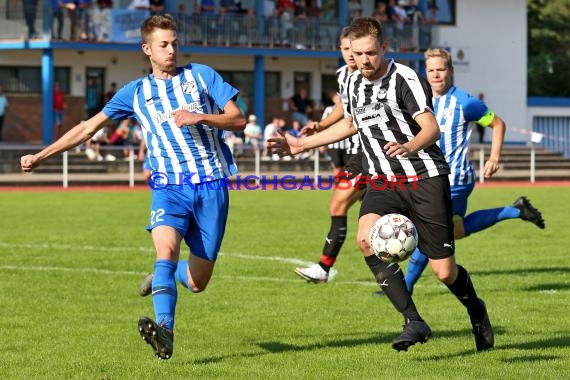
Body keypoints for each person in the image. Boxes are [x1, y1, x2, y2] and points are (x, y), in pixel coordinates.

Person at [20, 14, 246, 360]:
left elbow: (237, 118)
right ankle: (165, 331)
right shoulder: (136, 92)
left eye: (174, 43)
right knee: (165, 252)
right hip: (168, 187)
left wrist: (200, 116)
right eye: (163, 45)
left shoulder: (201, 75)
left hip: (211, 187)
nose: (171, 50)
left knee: (198, 282)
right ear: (147, 49)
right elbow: (87, 128)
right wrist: (42, 155)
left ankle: (160, 278)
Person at [269, 17, 494, 353]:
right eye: (357, 54)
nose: (364, 61)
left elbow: (431, 128)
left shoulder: (404, 77)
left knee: (444, 272)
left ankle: (476, 308)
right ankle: (413, 321)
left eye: (370, 53)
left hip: (424, 177)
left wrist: (409, 146)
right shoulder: (352, 81)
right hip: (383, 181)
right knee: (365, 240)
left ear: (384, 47)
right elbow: (350, 123)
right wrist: (301, 145)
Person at [392, 48, 545, 295]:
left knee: (426, 229)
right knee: (456, 230)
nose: (435, 75)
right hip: (429, 176)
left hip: (455, 179)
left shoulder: (466, 102)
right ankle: (515, 210)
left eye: (440, 69)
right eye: (430, 70)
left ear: (450, 70)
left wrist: (494, 157)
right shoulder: (421, 100)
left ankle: (404, 288)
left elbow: (497, 124)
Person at [293, 27, 364, 283]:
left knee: (339, 204)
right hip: (357, 155)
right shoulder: (344, 75)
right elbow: (343, 109)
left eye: (354, 49)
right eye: (346, 49)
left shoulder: (373, 77)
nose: (351, 55)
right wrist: (320, 126)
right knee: (369, 227)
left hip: (371, 155)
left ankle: (323, 269)